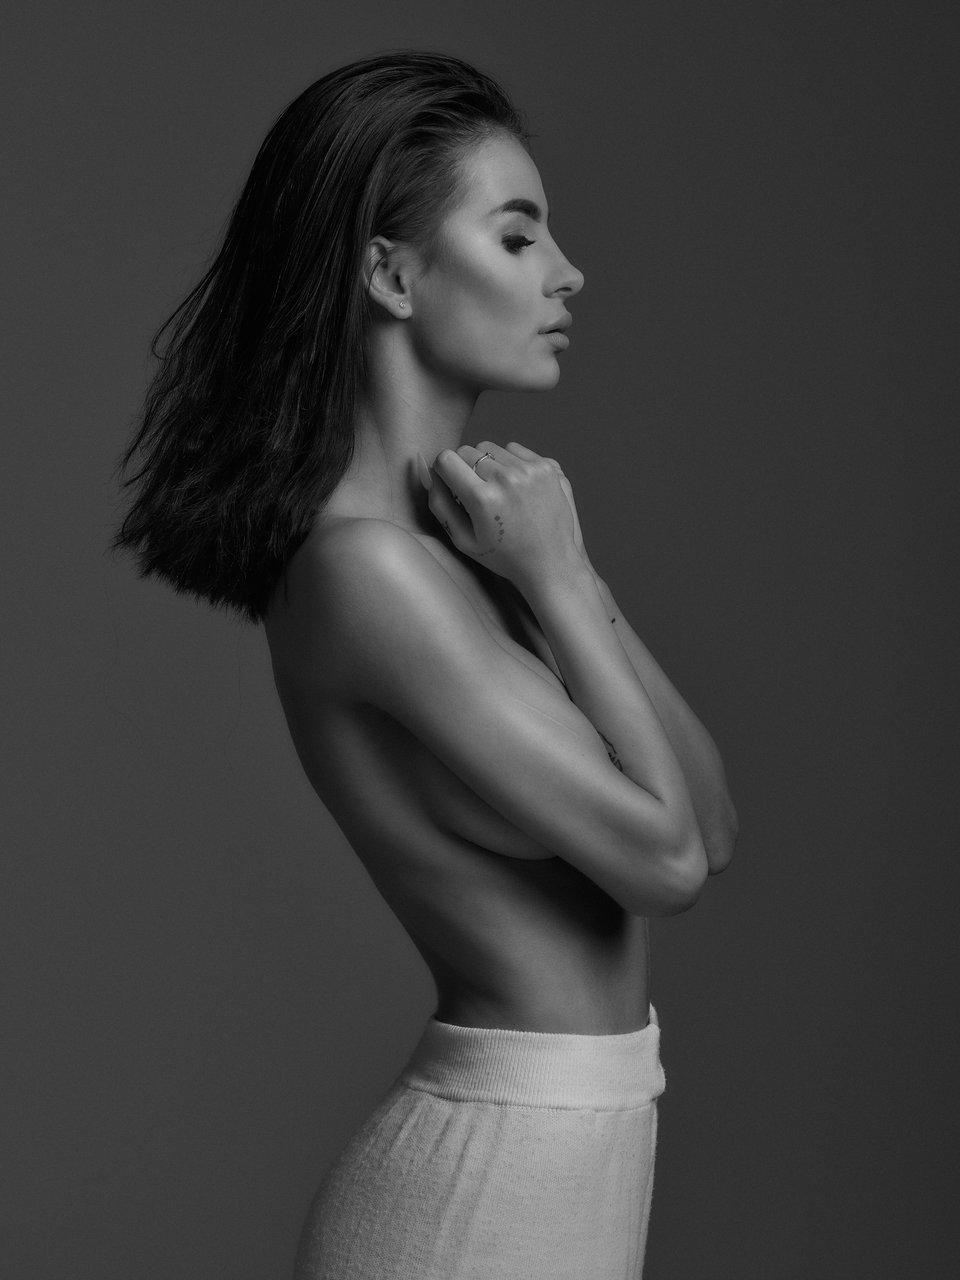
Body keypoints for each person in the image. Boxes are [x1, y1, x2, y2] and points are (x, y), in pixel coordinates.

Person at [112, 49, 737, 1279]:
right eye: (517, 236)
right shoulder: (366, 572)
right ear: (392, 274)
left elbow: (711, 826)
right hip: (479, 1199)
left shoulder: (475, 551)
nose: (567, 272)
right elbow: (664, 865)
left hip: (563, 1164)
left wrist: (563, 578)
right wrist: (562, 583)